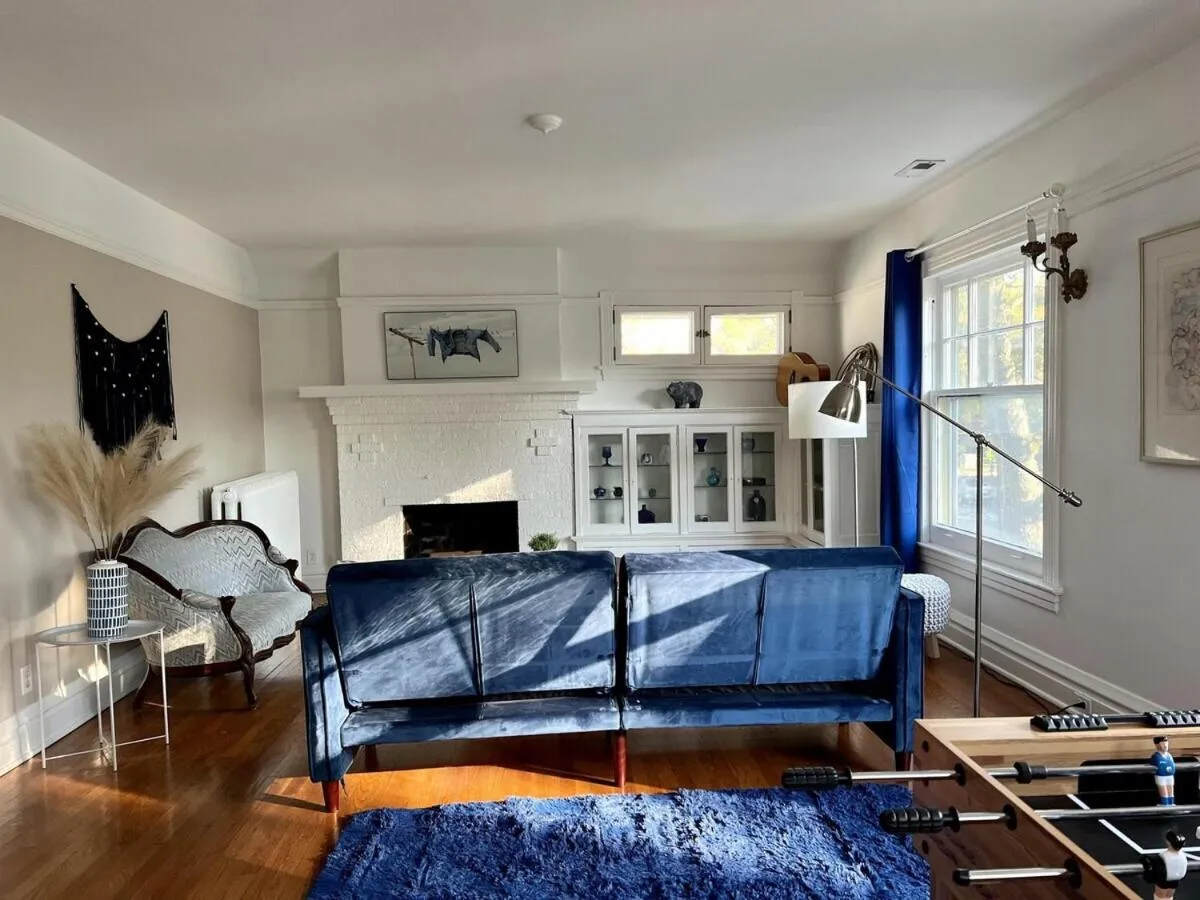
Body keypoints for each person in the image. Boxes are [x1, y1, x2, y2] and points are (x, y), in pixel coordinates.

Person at [1155, 831, 1188, 899]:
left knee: (1159, 897)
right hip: (1175, 879)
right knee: (1168, 896)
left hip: (1163, 879)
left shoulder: (1163, 856)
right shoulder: (1183, 856)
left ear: (1168, 842)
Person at [1153, 735, 1177, 806]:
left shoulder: (1169, 755)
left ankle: (1171, 804)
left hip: (1170, 776)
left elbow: (1173, 764)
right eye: (1162, 743)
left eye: (1166, 742)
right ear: (1157, 745)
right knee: (1164, 792)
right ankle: (1165, 805)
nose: (1165, 745)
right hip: (1161, 776)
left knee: (1171, 791)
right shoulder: (1156, 756)